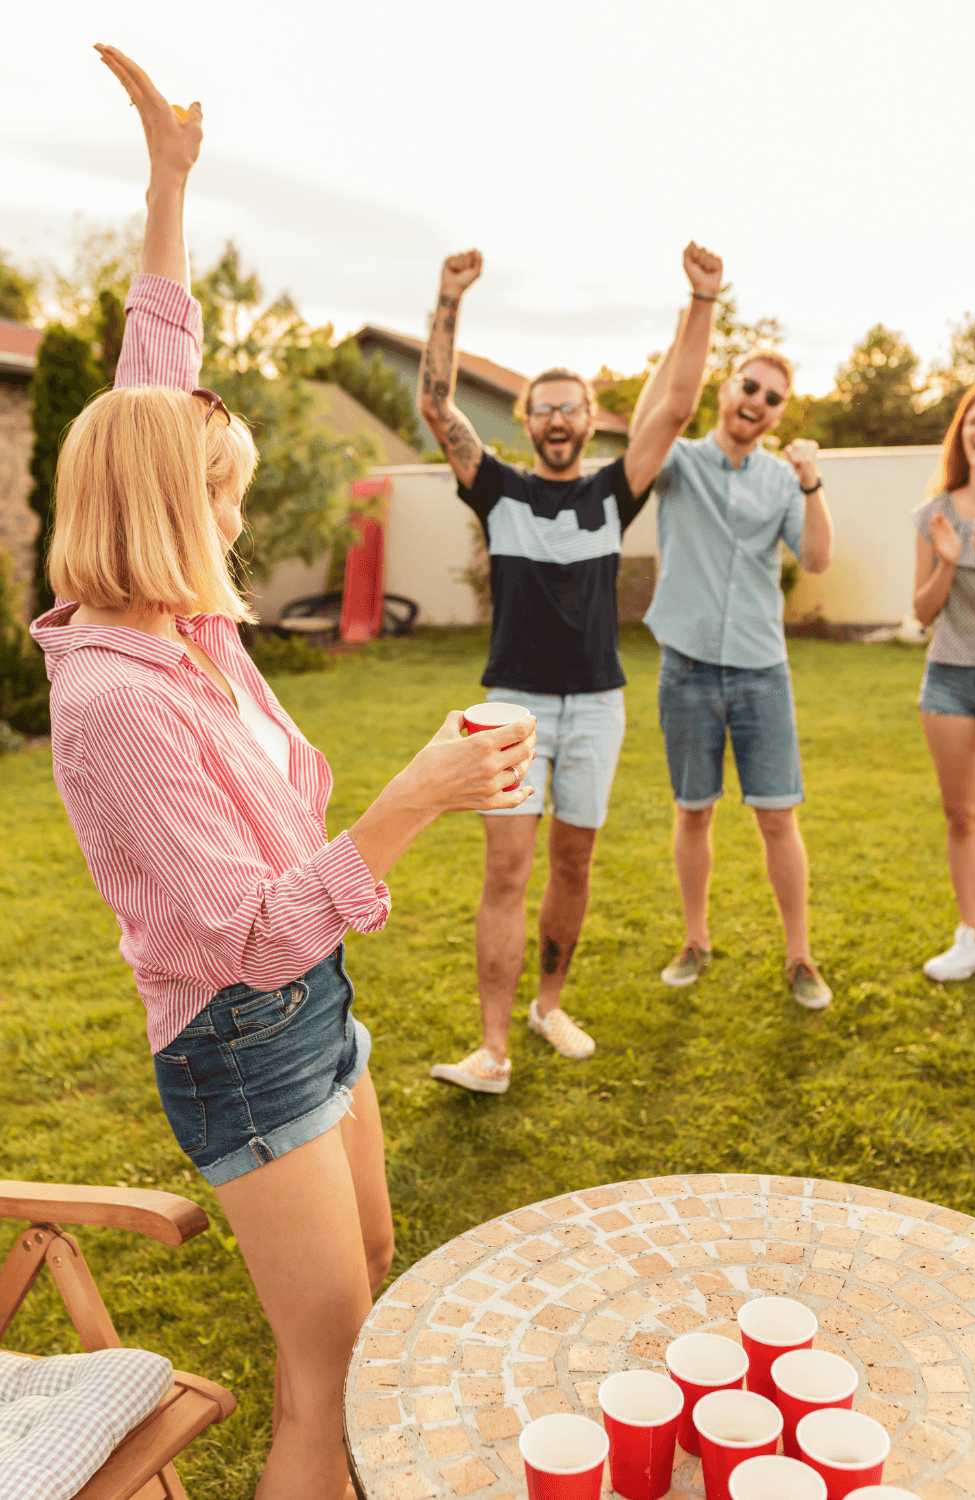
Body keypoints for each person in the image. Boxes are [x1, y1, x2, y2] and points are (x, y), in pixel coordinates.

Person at [30, 49, 536, 1500]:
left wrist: (168, 184)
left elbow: (152, 384)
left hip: (313, 1005)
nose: (236, 526)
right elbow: (244, 934)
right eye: (224, 502)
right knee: (331, 1374)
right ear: (164, 513)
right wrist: (416, 799)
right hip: (242, 1032)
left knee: (372, 1263)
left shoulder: (179, 629)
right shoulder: (116, 704)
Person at [417, 241, 723, 1093]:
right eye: (543, 408)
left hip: (596, 705)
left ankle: (548, 1006)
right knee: (506, 872)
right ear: (527, 419)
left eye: (570, 407)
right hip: (511, 707)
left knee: (575, 865)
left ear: (589, 420)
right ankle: (492, 1050)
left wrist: (703, 301)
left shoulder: (613, 493)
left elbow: (677, 407)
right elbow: (437, 404)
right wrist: (449, 297)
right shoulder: (497, 490)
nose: (557, 419)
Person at [632, 349, 835, 1008]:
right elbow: (644, 430)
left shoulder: (783, 479)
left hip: (761, 671)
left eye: (774, 397)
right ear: (726, 389)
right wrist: (680, 347)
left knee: (778, 818)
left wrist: (811, 482)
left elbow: (818, 557)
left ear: (779, 413)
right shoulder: (679, 461)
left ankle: (800, 956)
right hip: (686, 667)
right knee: (693, 811)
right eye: (751, 386)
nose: (758, 401)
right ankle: (696, 940)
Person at [913, 378, 975, 981]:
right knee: (963, 817)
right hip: (949, 676)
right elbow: (922, 611)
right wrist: (947, 561)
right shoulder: (934, 514)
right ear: (961, 434)